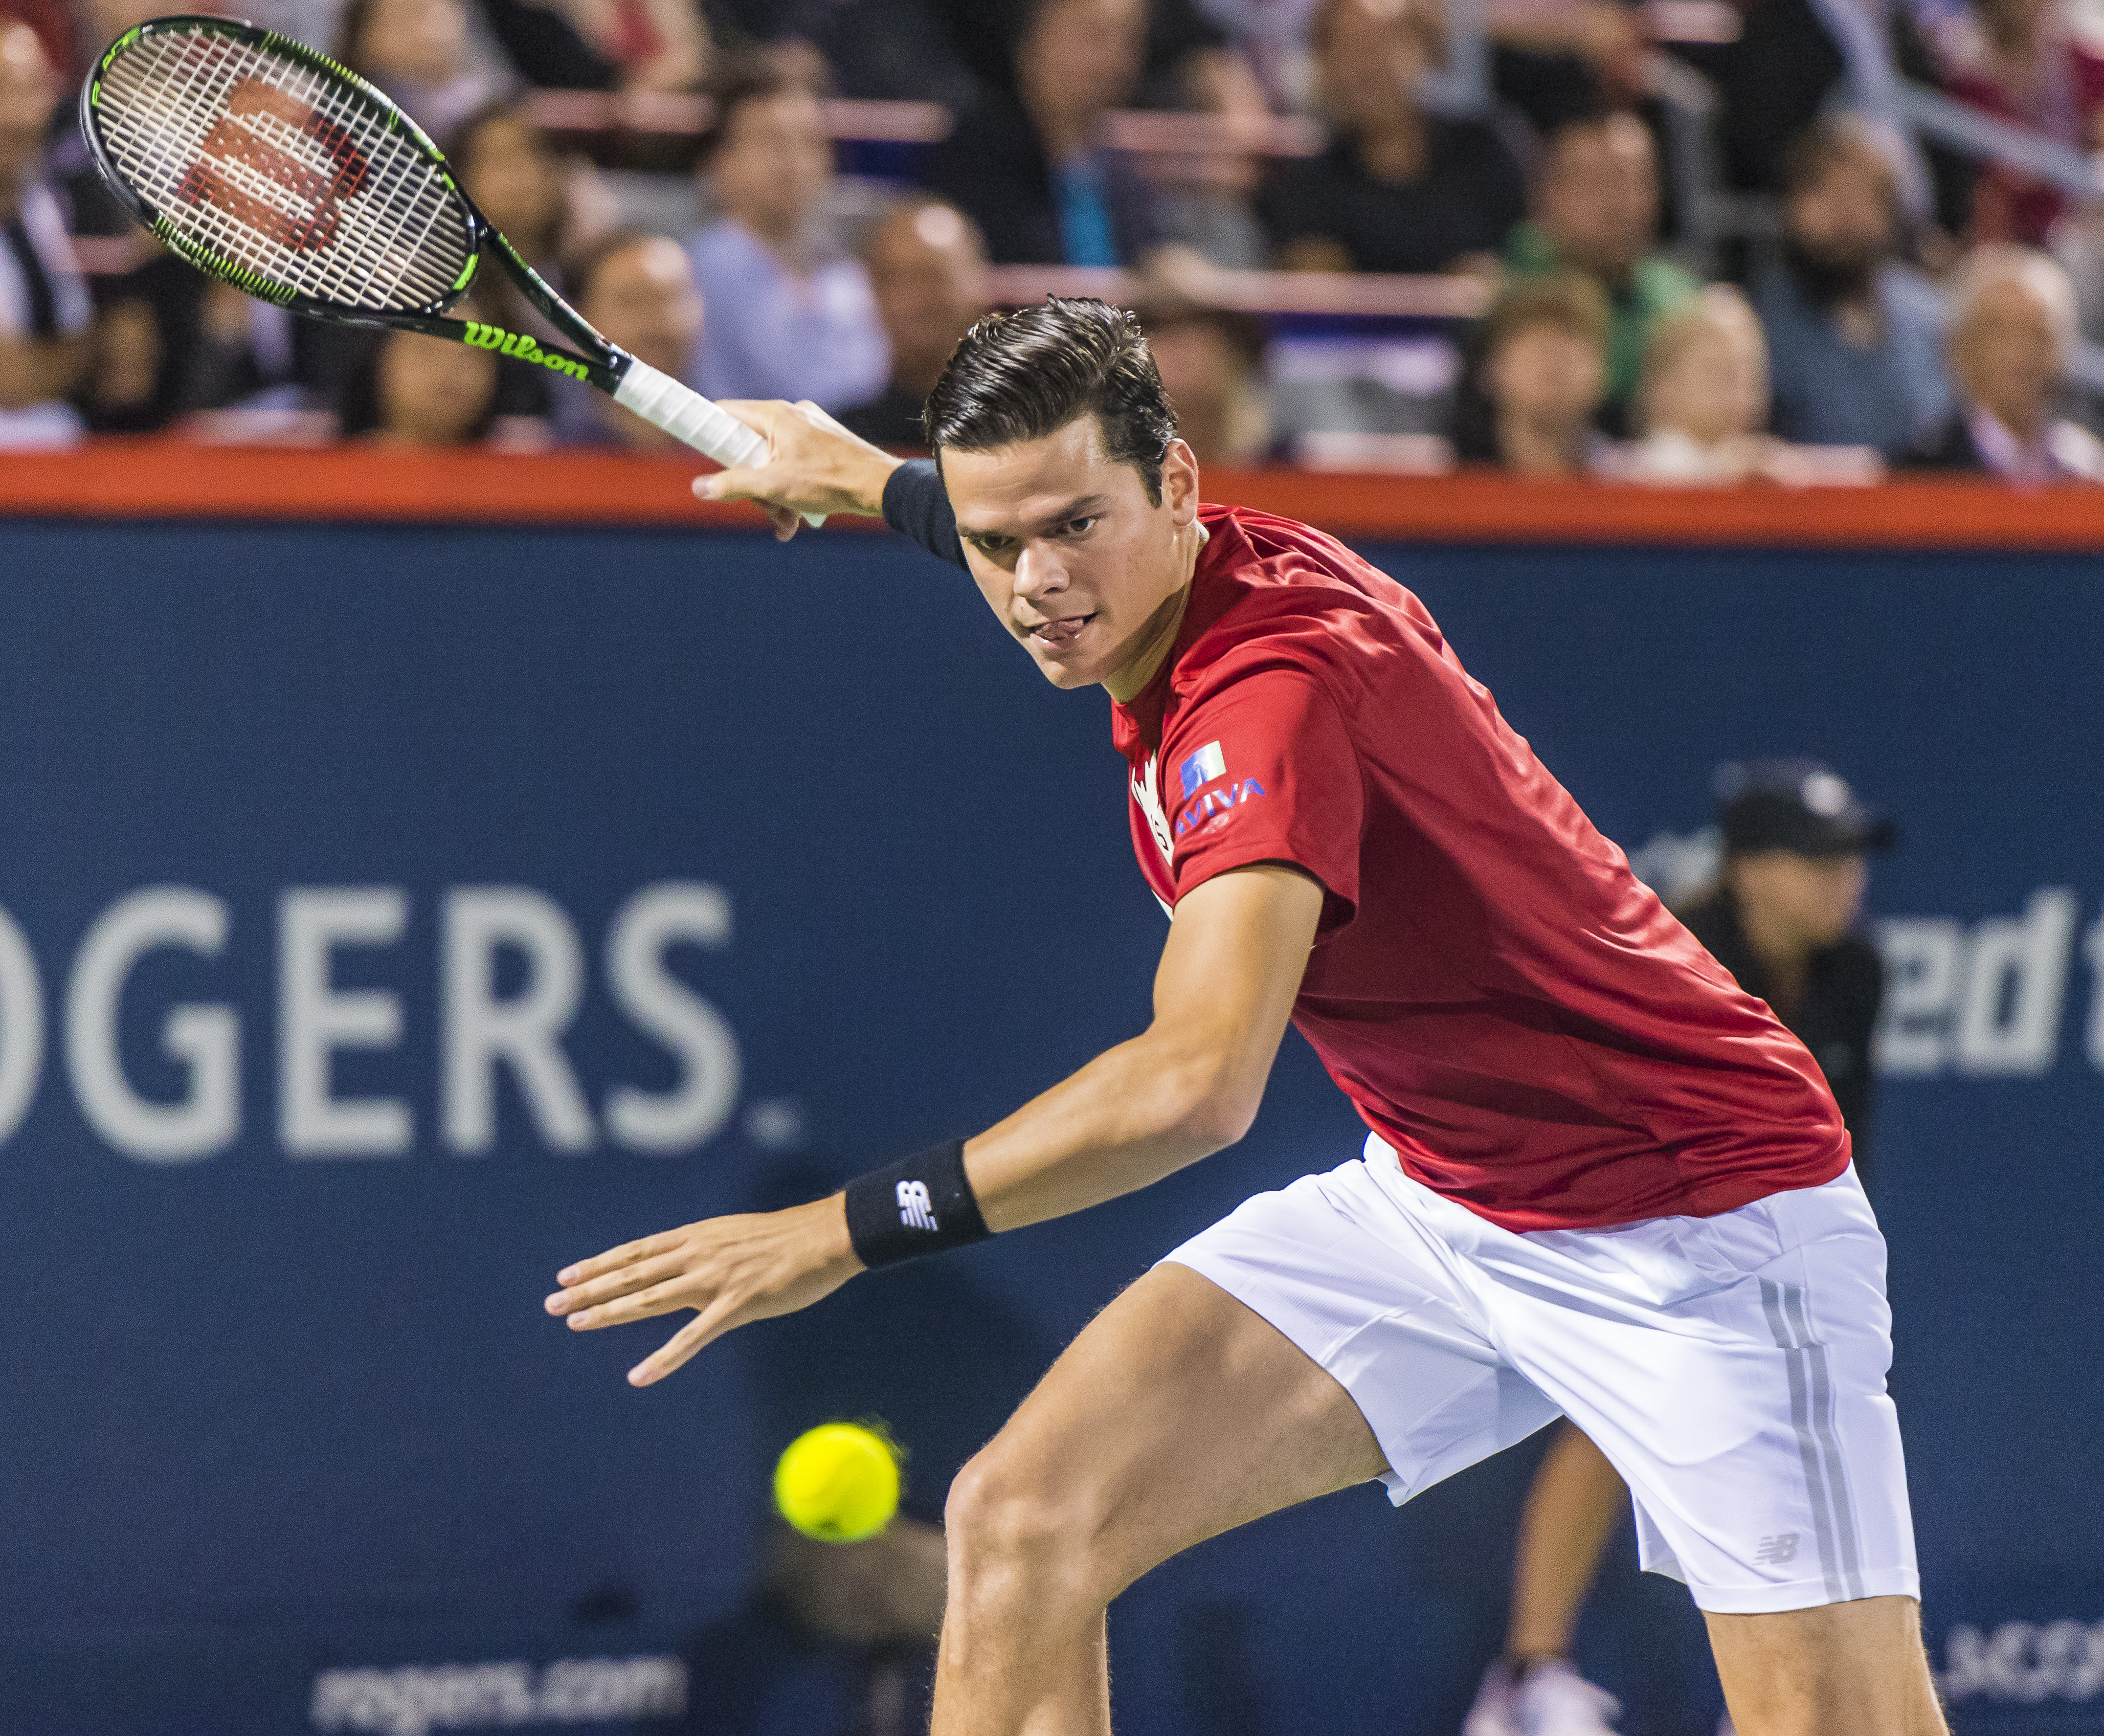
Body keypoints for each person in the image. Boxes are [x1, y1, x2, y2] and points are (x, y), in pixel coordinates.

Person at [546, 296, 1945, 1736]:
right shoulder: (1164, 558)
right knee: (1026, 1520)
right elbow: (1027, 529)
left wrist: (836, 1235)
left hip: (1696, 1225)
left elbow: (1192, 1087)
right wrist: (854, 472)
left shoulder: (1264, 698)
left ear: (1176, 485)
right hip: (1448, 1203)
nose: (1036, 583)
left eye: (1073, 526)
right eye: (991, 540)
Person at [1465, 758, 1896, 1736]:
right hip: (1614, 1218)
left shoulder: (1855, 970)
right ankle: (1528, 1678)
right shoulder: (1669, 956)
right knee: (1623, 1415)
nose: (1844, 878)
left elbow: (1842, 1147)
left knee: (1802, 1436)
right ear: (1745, 868)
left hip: (1762, 1236)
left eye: (1848, 857)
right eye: (1814, 857)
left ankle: (1785, 1695)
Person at [1257, 0, 1528, 276]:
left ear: (1428, 50)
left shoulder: (1487, 152)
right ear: (1323, 67)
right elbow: (1313, 289)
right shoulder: (1307, 183)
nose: (1367, 69)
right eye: (1348, 48)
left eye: (1384, 43)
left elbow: (1532, 255)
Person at [684, 59, 887, 411]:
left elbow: (868, 384)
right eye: (769, 141)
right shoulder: (694, 272)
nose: (792, 161)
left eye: (808, 142)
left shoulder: (848, 275)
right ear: (720, 162)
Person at [1753, 118, 1952, 461]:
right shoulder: (1761, 323)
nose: (1844, 216)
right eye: (1825, 192)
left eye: (1862, 197)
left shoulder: (1930, 319)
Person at [927, 0, 1163, 266]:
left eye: (1129, 41)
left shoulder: (1123, 173)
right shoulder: (978, 156)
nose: (1113, 59)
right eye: (1092, 36)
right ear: (1033, 44)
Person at [1505, 112, 1699, 432]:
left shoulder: (1684, 302)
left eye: (1636, 182)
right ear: (1547, 195)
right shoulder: (1516, 293)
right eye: (1595, 183)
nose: (1618, 204)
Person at [1907, 243, 2104, 480]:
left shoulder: (2084, 470)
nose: (2021, 353)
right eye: (2001, 334)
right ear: (1959, 348)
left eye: (2037, 334)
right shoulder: (1925, 471)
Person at [1936, 0, 2104, 248]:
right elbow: (1993, 179)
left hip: (2078, 224)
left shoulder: (2085, 65)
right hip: (2008, 239)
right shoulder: (1966, 81)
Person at [840, 199, 991, 451]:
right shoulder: (849, 442)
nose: (911, 301)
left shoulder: (1036, 423)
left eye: (931, 278)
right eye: (892, 280)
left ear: (978, 285)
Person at [0, 19, 88, 448]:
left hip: (49, 463)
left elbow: (81, 350)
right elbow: (11, 380)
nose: (23, 117)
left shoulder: (46, 207)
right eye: (5, 91)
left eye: (34, 90)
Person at [552, 231, 706, 450]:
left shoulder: (747, 450)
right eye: (631, 303)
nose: (655, 323)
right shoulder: (545, 453)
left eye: (672, 298)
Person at [1615, 285, 1777, 483]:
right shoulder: (1649, 466)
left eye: (1728, 375)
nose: (1724, 388)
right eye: (1711, 372)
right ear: (1663, 387)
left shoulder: (1730, 459)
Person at [1452, 275, 1611, 475]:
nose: (1555, 363)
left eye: (1570, 345)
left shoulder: (1635, 479)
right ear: (1492, 369)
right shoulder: (1442, 481)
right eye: (1538, 347)